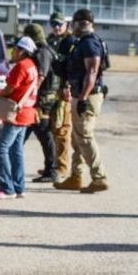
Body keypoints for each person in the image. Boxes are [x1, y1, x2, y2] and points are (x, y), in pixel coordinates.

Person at [53, 8, 109, 194]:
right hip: (81, 94)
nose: (72, 27)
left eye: (74, 24)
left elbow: (92, 71)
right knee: (77, 137)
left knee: (84, 136)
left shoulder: (90, 43)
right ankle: (75, 176)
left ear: (80, 23)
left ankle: (99, 178)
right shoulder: (83, 42)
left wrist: (83, 97)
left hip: (87, 96)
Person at [0, 37, 39, 199]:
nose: (12, 52)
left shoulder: (22, 66)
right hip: (26, 112)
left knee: (1, 148)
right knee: (16, 151)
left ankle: (6, 187)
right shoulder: (32, 65)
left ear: (22, 51)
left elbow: (11, 87)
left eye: (15, 49)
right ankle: (18, 186)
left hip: (15, 113)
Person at [22, 23, 60, 183]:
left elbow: (41, 76)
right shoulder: (47, 49)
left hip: (43, 99)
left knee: (44, 133)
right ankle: (4, 163)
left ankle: (52, 170)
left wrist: (29, 95)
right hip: (45, 97)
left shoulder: (42, 52)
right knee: (24, 130)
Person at [47, 13, 75, 178]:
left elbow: (72, 66)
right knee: (51, 129)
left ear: (66, 24)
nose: (56, 27)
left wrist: (67, 86)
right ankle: (53, 165)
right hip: (50, 89)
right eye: (53, 24)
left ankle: (62, 167)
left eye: (59, 24)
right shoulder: (50, 41)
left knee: (62, 129)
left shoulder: (70, 42)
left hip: (63, 90)